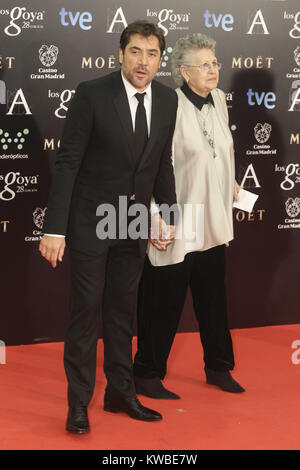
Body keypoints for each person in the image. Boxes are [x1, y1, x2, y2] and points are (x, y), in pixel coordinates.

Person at [39, 20, 178, 433]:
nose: (143, 61)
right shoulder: (92, 94)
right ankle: (78, 403)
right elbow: (67, 162)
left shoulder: (169, 101)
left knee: (121, 313)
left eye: (152, 54)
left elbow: (161, 164)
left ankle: (120, 393)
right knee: (85, 314)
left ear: (159, 61)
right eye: (136, 51)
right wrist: (54, 229)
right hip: (89, 219)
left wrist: (166, 215)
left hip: (132, 220)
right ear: (121, 54)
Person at [133, 33, 245, 399]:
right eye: (205, 64)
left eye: (215, 63)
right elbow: (151, 166)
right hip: (176, 220)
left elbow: (223, 151)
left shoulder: (220, 100)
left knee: (213, 299)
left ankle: (219, 367)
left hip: (212, 220)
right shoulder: (167, 104)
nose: (213, 70)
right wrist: (153, 216)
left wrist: (231, 186)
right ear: (183, 71)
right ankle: (147, 374)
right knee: (162, 301)